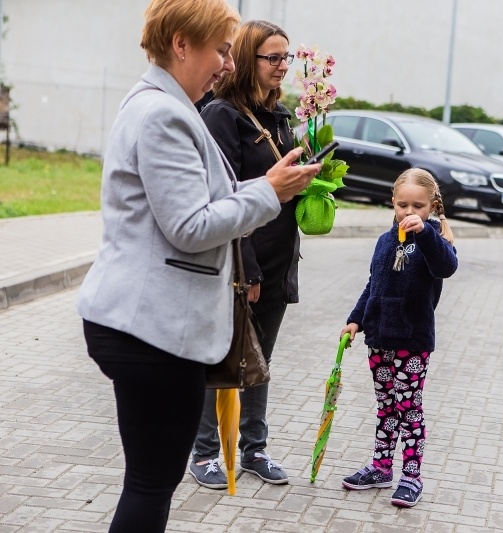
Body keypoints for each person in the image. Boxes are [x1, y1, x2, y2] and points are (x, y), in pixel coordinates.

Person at [76, 1, 320, 531]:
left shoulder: (164, 105)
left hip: (145, 326)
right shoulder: (163, 113)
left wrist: (261, 185)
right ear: (181, 44)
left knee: (150, 482)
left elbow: (207, 199)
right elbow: (189, 226)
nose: (228, 64)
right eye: (221, 50)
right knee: (150, 484)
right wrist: (269, 195)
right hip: (151, 330)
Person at [187, 20, 300, 489]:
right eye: (272, 58)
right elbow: (224, 195)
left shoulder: (282, 116)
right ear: (248, 59)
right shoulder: (222, 115)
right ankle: (205, 452)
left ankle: (255, 448)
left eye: (285, 58)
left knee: (261, 360)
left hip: (280, 258)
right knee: (224, 357)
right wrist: (246, 266)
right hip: (241, 260)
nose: (281, 67)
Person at [339, 168, 458, 507]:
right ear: (392, 203)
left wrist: (425, 234)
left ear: (432, 206)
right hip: (379, 339)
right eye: (402, 205)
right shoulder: (384, 241)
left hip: (412, 342)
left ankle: (411, 475)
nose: (409, 212)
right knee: (386, 407)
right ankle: (380, 467)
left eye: (418, 206)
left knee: (409, 408)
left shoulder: (434, 240)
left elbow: (446, 267)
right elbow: (373, 285)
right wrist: (356, 320)